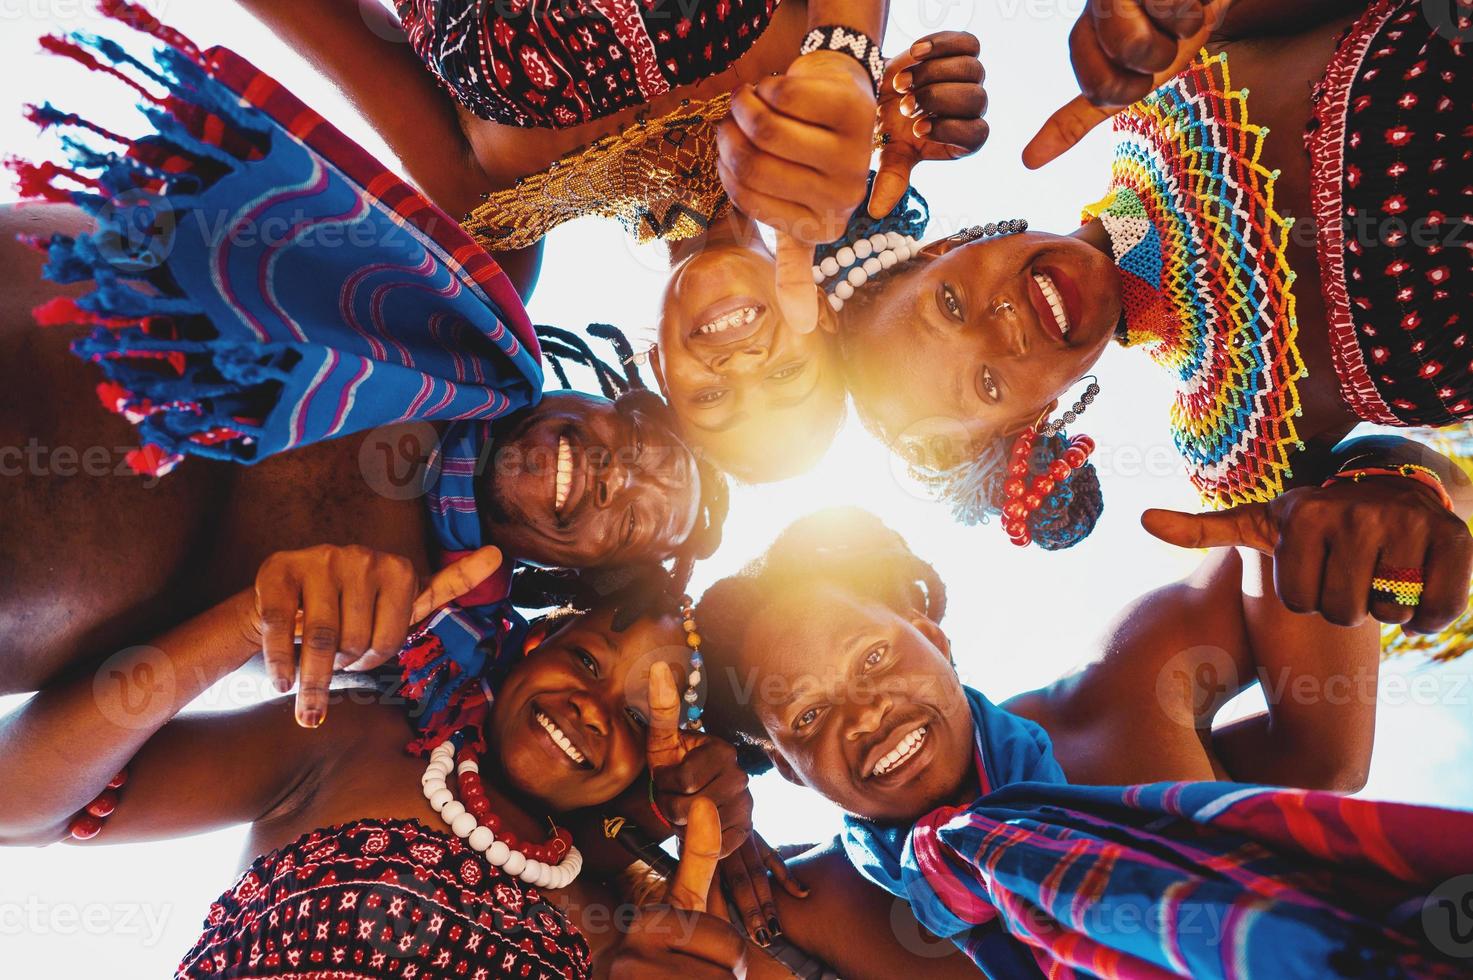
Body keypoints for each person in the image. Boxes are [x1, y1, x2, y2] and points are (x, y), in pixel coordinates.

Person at [2, 13, 725, 707]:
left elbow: (32, 804)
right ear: (599, 397)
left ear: (579, 574)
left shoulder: (420, 654)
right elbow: (359, 42)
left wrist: (250, 626)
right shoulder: (468, 287)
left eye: (632, 522)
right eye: (640, 443)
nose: (617, 477)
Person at [823, 0, 1473, 635]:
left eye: (950, 304)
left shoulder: (1170, 73)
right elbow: (1423, 496)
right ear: (1032, 420)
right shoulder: (1237, 447)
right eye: (987, 385)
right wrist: (1402, 493)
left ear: (947, 247)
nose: (1003, 329)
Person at [694, 508, 1473, 977]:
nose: (863, 714)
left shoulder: (1128, 691)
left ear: (932, 635)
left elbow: (1301, 528)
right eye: (805, 718)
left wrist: (1397, 489)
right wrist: (680, 805)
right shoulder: (798, 911)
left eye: (872, 658)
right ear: (787, 775)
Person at [0, 542, 778, 978]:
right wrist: (253, 621)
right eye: (585, 661)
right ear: (524, 653)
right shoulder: (357, 740)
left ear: (657, 767)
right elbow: (17, 801)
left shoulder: (625, 930)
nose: (591, 707)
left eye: (643, 717)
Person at [647, 31, 991, 482]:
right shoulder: (809, 101)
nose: (743, 364)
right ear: (823, 312)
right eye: (787, 372)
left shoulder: (523, 211)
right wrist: (852, 62)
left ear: (660, 372)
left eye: (711, 398)